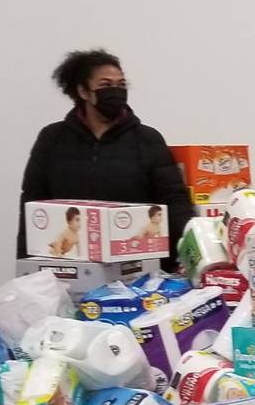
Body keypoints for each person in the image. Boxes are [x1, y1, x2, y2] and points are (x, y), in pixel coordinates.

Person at [17, 49, 191, 260]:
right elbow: (32, 203)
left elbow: (174, 200)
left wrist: (191, 249)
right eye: (105, 85)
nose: (115, 91)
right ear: (83, 92)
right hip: (70, 264)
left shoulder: (147, 139)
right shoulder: (52, 139)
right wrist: (26, 263)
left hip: (136, 264)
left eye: (121, 85)